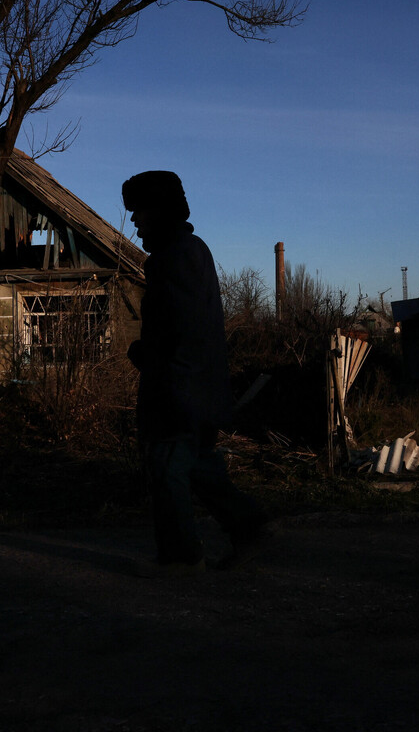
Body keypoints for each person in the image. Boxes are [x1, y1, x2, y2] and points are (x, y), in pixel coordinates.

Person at [123, 170, 269, 575]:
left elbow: (181, 328)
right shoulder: (187, 251)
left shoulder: (176, 256)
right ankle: (251, 527)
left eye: (140, 210)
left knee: (167, 466)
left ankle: (181, 557)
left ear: (160, 210)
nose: (134, 220)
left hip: (179, 390)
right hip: (194, 388)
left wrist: (147, 355)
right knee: (199, 465)